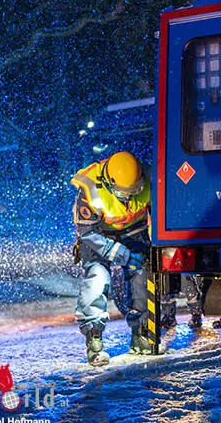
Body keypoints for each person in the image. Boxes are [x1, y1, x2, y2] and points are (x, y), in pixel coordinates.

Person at [71, 151, 174, 366]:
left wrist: (159, 246)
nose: (128, 197)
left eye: (133, 191)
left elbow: (162, 216)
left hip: (133, 230)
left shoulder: (150, 177)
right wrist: (123, 255)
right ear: (108, 183)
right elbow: (87, 233)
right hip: (97, 234)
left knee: (143, 273)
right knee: (97, 278)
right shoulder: (90, 189)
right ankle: (94, 339)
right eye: (122, 192)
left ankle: (142, 334)